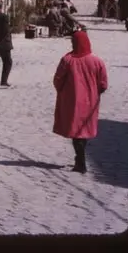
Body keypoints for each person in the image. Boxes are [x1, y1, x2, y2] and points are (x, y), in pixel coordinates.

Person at [53, 29, 108, 174]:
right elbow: (103, 84)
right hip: (90, 102)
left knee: (76, 130)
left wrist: (63, 91)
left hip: (71, 101)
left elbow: (58, 80)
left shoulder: (67, 60)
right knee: (83, 129)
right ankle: (80, 160)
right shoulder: (97, 61)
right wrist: (95, 93)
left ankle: (80, 161)